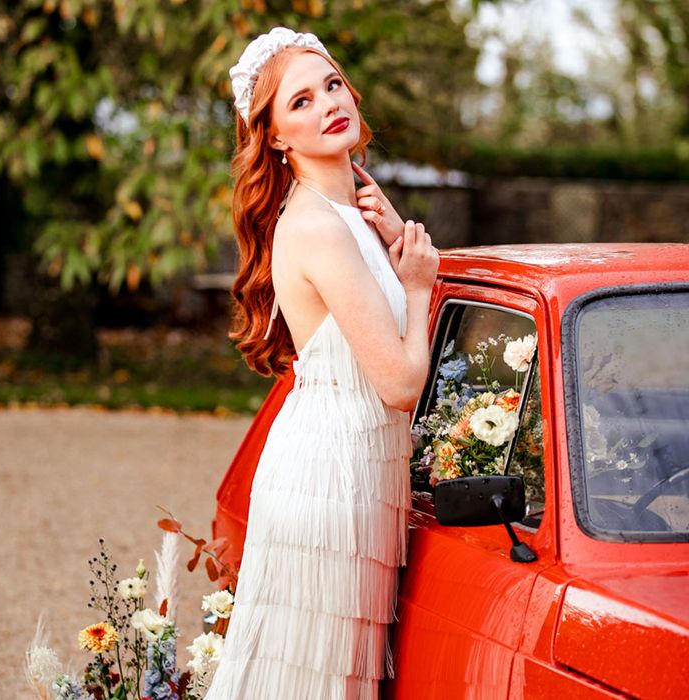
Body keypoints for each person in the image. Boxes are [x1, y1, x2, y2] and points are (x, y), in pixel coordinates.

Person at [206, 27, 439, 699]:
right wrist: (419, 284)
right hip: (330, 478)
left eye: (330, 84)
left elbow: (401, 328)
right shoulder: (315, 225)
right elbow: (399, 383)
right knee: (312, 679)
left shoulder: (356, 207)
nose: (328, 105)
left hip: (360, 464)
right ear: (277, 137)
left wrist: (399, 245)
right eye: (299, 102)